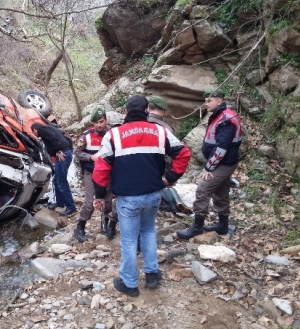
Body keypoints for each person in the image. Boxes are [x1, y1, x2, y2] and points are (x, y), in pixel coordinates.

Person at [93, 95, 191, 296]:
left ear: (126, 112)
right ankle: (152, 273)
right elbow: (183, 153)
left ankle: (129, 283)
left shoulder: (114, 135)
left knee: (129, 240)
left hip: (128, 198)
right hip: (153, 194)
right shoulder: (160, 131)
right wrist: (170, 178)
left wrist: (99, 195)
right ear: (147, 111)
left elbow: (101, 168)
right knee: (148, 232)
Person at [177, 90, 243, 240]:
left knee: (203, 189)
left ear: (219, 101)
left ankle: (197, 227)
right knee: (220, 192)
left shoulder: (226, 119)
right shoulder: (221, 115)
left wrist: (209, 167)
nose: (206, 104)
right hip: (223, 162)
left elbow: (222, 147)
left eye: (209, 101)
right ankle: (222, 226)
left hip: (224, 163)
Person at [74, 106, 117, 243]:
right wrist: (90, 157)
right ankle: (80, 226)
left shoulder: (113, 134)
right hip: (90, 173)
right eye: (96, 122)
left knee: (108, 201)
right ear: (92, 123)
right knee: (89, 203)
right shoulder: (86, 136)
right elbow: (77, 152)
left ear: (106, 120)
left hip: (109, 173)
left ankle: (105, 225)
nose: (99, 125)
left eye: (102, 121)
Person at [31, 122, 77, 216]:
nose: (35, 134)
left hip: (62, 155)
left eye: (33, 132)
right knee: (56, 181)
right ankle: (60, 202)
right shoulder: (50, 128)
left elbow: (53, 138)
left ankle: (71, 207)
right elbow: (68, 139)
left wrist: (58, 151)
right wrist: (69, 151)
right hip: (66, 154)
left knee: (61, 182)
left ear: (35, 130)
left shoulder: (41, 130)